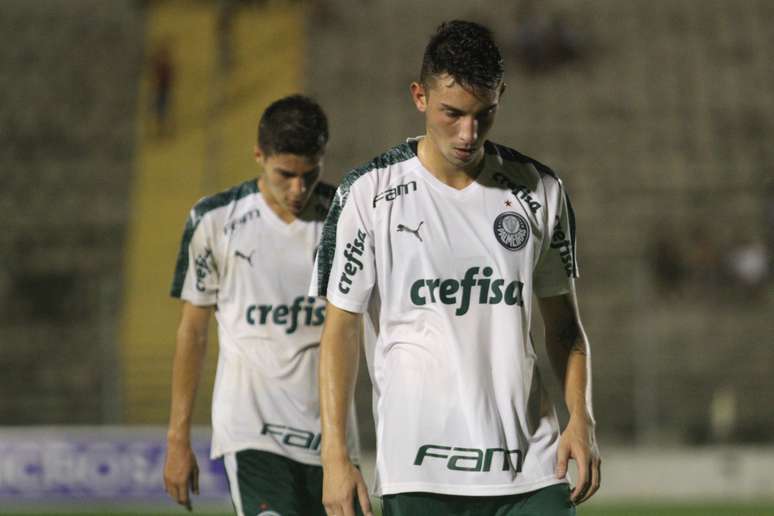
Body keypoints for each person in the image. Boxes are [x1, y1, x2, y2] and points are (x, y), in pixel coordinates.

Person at [311, 20, 600, 516]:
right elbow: (340, 329)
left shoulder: (540, 189)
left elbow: (565, 327)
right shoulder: (367, 195)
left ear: (501, 97)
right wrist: (335, 454)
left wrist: (583, 417)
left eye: (483, 115)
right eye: (452, 114)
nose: (468, 133)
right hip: (422, 466)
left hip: (530, 464)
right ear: (420, 97)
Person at [163, 94, 359, 515]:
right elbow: (192, 332)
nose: (298, 189)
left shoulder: (346, 216)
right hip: (253, 434)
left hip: (330, 439)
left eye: (310, 174)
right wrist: (178, 439)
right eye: (285, 174)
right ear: (258, 156)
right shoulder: (214, 221)